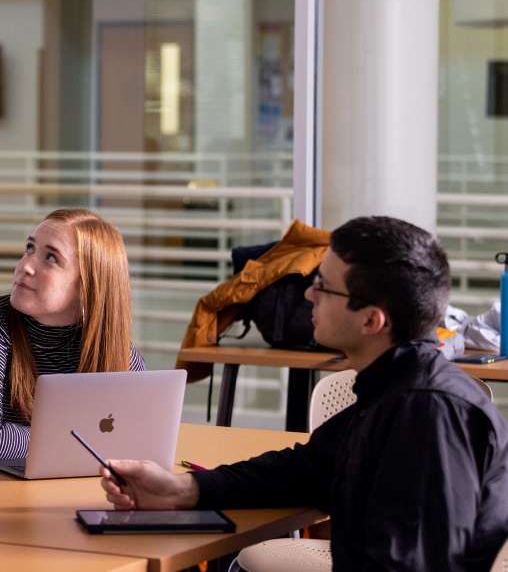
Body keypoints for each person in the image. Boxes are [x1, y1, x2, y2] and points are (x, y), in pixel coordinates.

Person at [100, 216, 508, 571]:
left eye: (323, 286)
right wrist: (181, 489)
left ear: (371, 320)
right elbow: (304, 471)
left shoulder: (427, 414)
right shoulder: (392, 389)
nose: (309, 294)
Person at [0, 208, 147, 469]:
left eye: (51, 258)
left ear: (88, 286)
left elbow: (136, 439)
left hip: (43, 486)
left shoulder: (115, 352)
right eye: (29, 248)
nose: (25, 266)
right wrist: (88, 439)